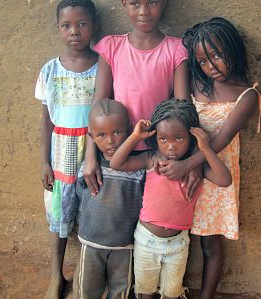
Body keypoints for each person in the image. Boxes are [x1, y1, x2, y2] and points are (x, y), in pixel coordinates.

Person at [157, 17, 261, 299]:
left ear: (234, 49)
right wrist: (185, 165)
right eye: (203, 61)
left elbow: (220, 140)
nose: (211, 66)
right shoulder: (196, 84)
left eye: (218, 55)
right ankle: (169, 290)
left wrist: (186, 166)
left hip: (216, 176)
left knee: (209, 244)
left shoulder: (247, 95)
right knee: (180, 236)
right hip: (188, 168)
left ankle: (206, 297)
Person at [110, 98, 232, 299]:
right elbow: (116, 163)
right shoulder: (151, 159)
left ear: (191, 136)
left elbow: (224, 179)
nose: (171, 147)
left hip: (178, 243)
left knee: (172, 293)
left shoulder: (194, 168)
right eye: (163, 139)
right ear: (155, 138)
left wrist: (206, 148)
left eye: (178, 138)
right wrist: (134, 137)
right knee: (144, 292)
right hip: (146, 240)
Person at [83, 0, 198, 197]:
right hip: (116, 150)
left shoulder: (176, 49)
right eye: (135, 3)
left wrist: (191, 161)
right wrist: (90, 156)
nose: (144, 11)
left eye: (152, 2)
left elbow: (184, 111)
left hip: (160, 153)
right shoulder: (112, 46)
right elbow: (98, 106)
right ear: (124, 4)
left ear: (164, 3)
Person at [35, 0, 98, 299]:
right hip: (60, 152)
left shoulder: (102, 67)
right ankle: (55, 277)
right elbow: (46, 120)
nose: (75, 31)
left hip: (93, 150)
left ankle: (85, 278)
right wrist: (44, 163)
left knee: (91, 213)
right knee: (59, 215)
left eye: (82, 24)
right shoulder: (50, 70)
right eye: (67, 25)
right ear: (59, 29)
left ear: (94, 26)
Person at [74, 99, 145, 299]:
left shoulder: (137, 168)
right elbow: (80, 199)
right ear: (91, 137)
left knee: (121, 292)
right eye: (101, 135)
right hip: (91, 243)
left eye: (117, 132)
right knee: (86, 292)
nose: (111, 141)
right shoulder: (89, 169)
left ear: (129, 130)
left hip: (124, 246)